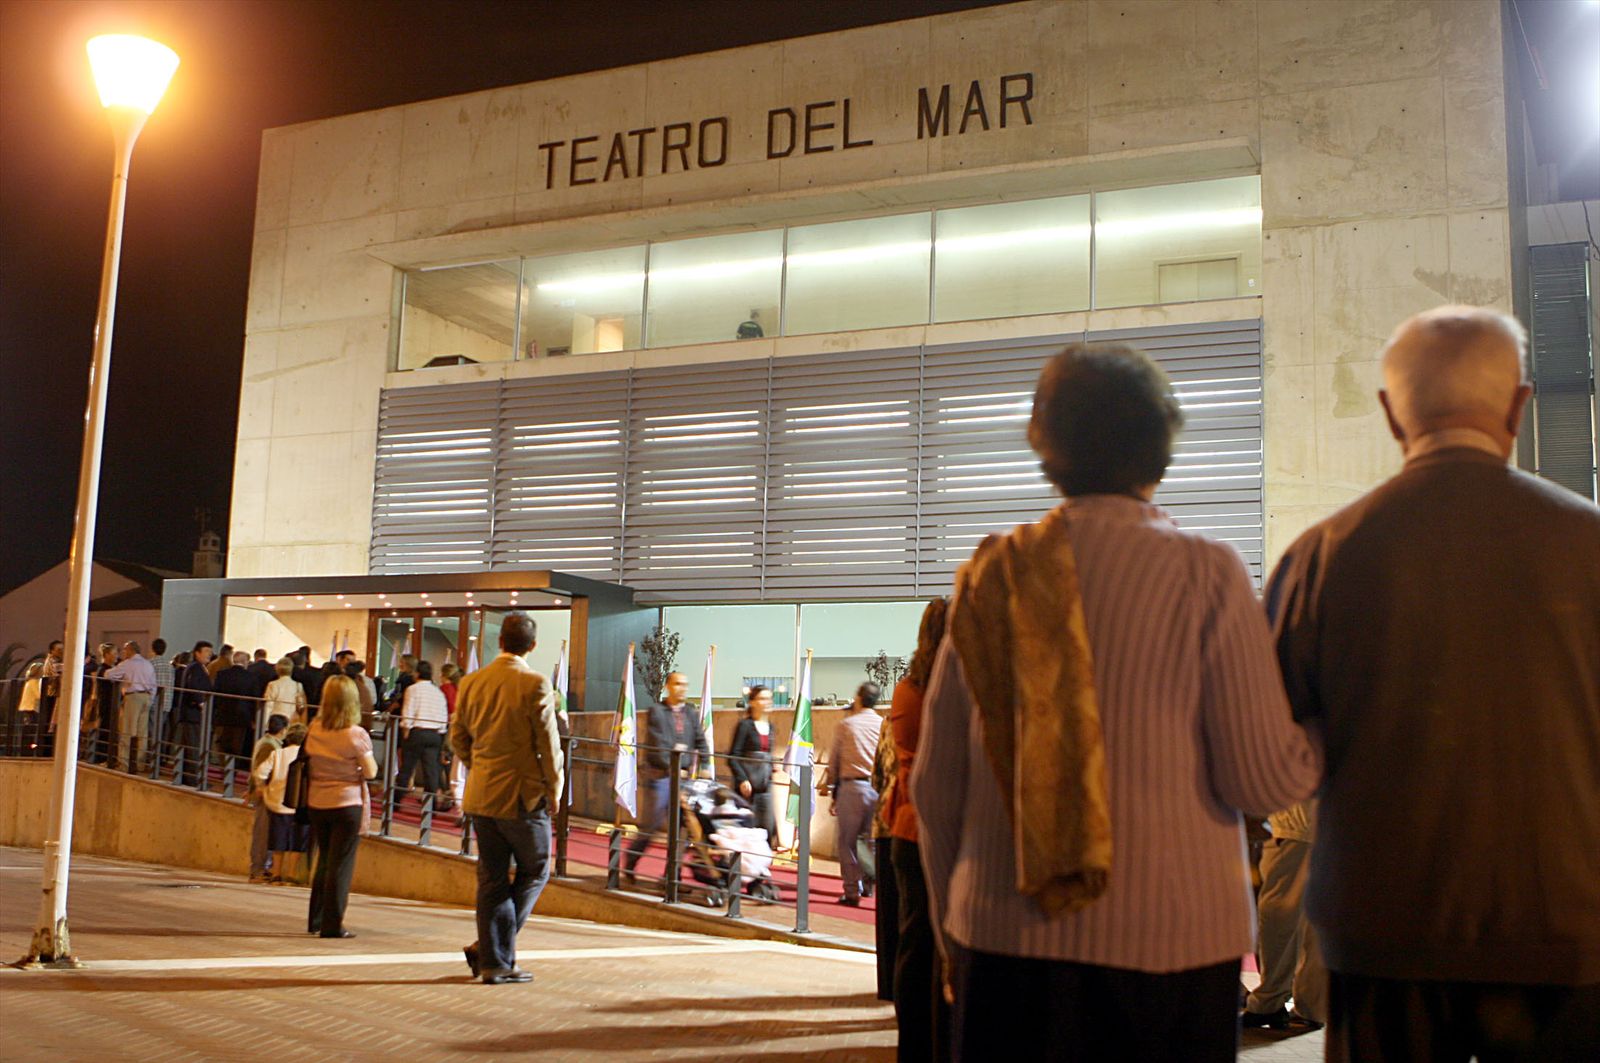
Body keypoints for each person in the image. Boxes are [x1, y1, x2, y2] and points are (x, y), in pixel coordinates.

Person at [911, 343, 1320, 1062]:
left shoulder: (993, 575)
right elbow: (1261, 781)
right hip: (1176, 950)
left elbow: (936, 788)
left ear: (1048, 448)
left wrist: (957, 938)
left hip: (1004, 949)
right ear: (1160, 449)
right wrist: (1319, 733)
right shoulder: (1206, 570)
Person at [1267, 306, 1600, 1062]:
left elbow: (1268, 754)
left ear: (1390, 412)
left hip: (1384, 935)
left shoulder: (1320, 558)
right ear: (1518, 404)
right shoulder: (1591, 543)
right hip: (1572, 926)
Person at [450, 612, 563, 985]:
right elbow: (548, 743)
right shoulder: (534, 682)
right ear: (532, 646)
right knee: (536, 869)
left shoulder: (472, 682)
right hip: (522, 797)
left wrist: (478, 765)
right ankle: (492, 953)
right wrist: (554, 787)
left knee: (492, 878)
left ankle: (493, 960)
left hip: (481, 794)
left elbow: (458, 737)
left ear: (500, 641)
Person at [888, 598, 952, 1062]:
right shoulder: (932, 690)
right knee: (926, 945)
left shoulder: (910, 687)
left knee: (918, 943)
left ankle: (919, 1042)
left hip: (908, 830)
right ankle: (923, 1044)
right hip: (923, 829)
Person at [303, 675, 377, 939]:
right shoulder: (355, 734)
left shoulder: (314, 728)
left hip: (318, 801)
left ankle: (316, 919)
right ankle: (333, 925)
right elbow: (370, 772)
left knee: (324, 860)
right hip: (347, 803)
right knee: (341, 864)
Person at [1241, 799, 1324, 1031]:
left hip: (1293, 821)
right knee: (1312, 918)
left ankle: (1269, 1000)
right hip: (1322, 821)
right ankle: (1312, 1005)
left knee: (1278, 913)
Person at [622, 671, 710, 886]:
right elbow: (657, 747)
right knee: (651, 826)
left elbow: (700, 740)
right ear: (668, 686)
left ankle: (672, 875)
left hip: (684, 780)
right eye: (677, 684)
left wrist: (705, 764)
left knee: (682, 829)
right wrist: (673, 767)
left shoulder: (690, 713)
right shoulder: (657, 711)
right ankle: (629, 863)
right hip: (661, 778)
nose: (682, 688)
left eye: (685, 684)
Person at [825, 681, 882, 907]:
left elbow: (835, 761)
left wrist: (832, 791)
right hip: (876, 788)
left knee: (847, 842)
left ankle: (852, 891)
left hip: (852, 787)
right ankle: (871, 884)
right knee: (872, 841)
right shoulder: (883, 724)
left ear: (859, 697)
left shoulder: (846, 725)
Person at [870, 698, 901, 1003]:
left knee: (888, 910)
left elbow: (876, 777)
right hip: (913, 823)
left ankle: (887, 985)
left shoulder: (888, 722)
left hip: (884, 821)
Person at [258, 722, 311, 885]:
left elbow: (260, 772)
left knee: (278, 840)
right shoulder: (308, 757)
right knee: (298, 841)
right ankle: (292, 874)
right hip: (301, 804)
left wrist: (263, 788)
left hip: (278, 802)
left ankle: (276, 873)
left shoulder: (278, 754)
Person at [728, 685, 778, 849]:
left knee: (767, 828)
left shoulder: (771, 727)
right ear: (753, 702)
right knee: (746, 830)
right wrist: (742, 779)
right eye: (763, 699)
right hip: (746, 788)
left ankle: (761, 868)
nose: (767, 702)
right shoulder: (745, 725)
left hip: (765, 786)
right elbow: (733, 756)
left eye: (769, 698)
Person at [397, 660, 449, 800]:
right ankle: (430, 805)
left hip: (417, 732)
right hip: (435, 734)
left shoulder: (413, 689)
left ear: (417, 673)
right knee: (431, 771)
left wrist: (405, 733)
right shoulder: (438, 692)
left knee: (407, 768)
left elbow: (408, 713)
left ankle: (396, 801)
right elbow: (443, 716)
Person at [102, 640, 157, 774]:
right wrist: (151, 699)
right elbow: (154, 684)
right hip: (146, 698)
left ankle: (124, 764)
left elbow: (108, 674)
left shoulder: (127, 664)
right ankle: (139, 764)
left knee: (127, 731)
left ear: (131, 650)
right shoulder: (148, 664)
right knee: (142, 734)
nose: (123, 653)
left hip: (133, 697)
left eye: (125, 650)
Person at [247, 714, 288, 883]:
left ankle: (261, 868)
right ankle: (258, 869)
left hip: (265, 794)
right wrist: (259, 788)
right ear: (283, 730)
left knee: (264, 833)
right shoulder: (270, 746)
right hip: (265, 795)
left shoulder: (267, 742)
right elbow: (260, 771)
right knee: (262, 834)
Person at [174, 643, 215, 786]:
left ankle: (189, 777)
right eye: (206, 651)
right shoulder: (195, 668)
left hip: (193, 714)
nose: (209, 654)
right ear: (197, 653)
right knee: (194, 746)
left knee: (193, 745)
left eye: (210, 651)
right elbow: (192, 686)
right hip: (192, 714)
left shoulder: (199, 668)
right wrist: (201, 703)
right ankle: (193, 779)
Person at [212, 650, 259, 773]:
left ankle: (224, 768)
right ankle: (232, 771)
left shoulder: (222, 674)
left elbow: (215, 695)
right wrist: (253, 719)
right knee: (236, 745)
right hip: (242, 717)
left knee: (222, 743)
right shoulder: (251, 677)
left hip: (223, 715)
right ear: (245, 662)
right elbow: (255, 699)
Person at [148, 638, 173, 760]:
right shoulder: (170, 666)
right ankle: (159, 757)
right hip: (167, 702)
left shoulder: (151, 664)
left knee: (152, 732)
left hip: (154, 702)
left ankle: (152, 758)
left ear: (153, 649)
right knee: (161, 731)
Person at [264, 657, 308, 726]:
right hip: (292, 720)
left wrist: (265, 723)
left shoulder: (272, 684)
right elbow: (300, 705)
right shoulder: (298, 685)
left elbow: (269, 705)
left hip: (276, 720)